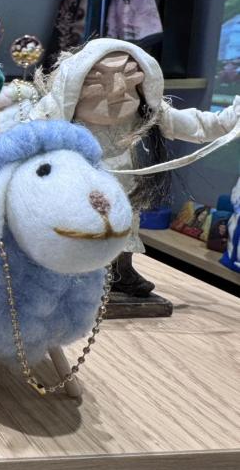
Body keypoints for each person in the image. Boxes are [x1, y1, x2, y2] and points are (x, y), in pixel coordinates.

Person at [30, 38, 240, 297]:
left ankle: (121, 274)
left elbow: (201, 126)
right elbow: (21, 139)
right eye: (99, 80)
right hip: (74, 192)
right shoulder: (53, 115)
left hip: (126, 193)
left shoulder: (147, 114)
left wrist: (233, 116)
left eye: (129, 76)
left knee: (125, 228)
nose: (118, 89)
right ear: (75, 83)